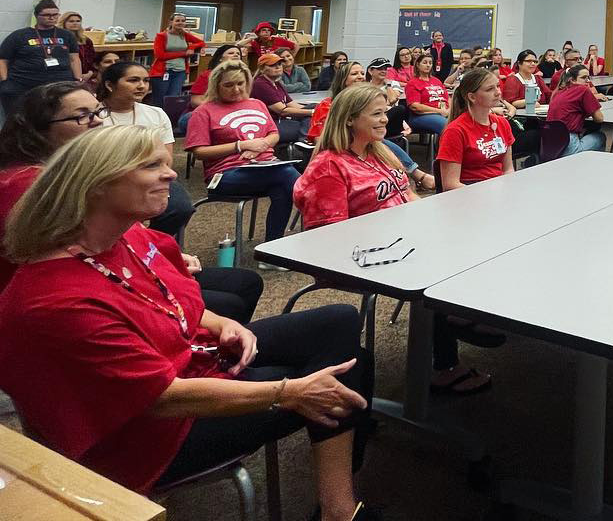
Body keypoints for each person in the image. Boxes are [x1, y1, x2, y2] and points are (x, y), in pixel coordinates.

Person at [0, 125, 378, 517]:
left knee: (337, 323)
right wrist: (289, 391)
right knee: (349, 370)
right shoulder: (56, 301)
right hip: (151, 434)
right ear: (95, 184)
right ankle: (340, 510)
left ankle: (336, 506)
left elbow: (180, 301)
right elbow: (162, 400)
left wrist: (222, 324)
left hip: (192, 361)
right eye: (151, 166)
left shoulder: (125, 237)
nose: (173, 174)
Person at [0, 83, 262, 323]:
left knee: (245, 283)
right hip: (86, 284)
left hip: (120, 265)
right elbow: (77, 255)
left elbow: (121, 236)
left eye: (98, 112)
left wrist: (162, 256)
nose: (97, 122)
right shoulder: (28, 183)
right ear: (40, 128)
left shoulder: (73, 170)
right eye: (82, 116)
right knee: (229, 304)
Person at [293, 85, 486, 393]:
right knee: (439, 265)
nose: (386, 120)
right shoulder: (329, 166)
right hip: (358, 256)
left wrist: (439, 217)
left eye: (385, 112)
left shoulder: (378, 151)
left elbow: (407, 195)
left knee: (468, 237)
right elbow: (328, 238)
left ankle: (458, 316)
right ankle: (446, 358)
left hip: (400, 242)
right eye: (377, 114)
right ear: (350, 120)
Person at [185, 61, 298, 245]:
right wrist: (241, 146)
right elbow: (199, 152)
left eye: (240, 84)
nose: (236, 90)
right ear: (216, 86)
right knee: (287, 176)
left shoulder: (257, 104)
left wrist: (258, 147)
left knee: (282, 188)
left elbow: (273, 134)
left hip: (265, 167)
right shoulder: (203, 111)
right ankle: (317, 217)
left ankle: (272, 249)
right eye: (228, 85)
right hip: (224, 175)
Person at [96, 61, 195, 234]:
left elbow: (167, 158)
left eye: (146, 80)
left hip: (153, 175)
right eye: (133, 80)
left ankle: (152, 246)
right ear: (110, 85)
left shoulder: (156, 114)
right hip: (110, 179)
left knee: (180, 208)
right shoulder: (94, 116)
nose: (142, 86)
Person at [312, 63, 433, 191]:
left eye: (362, 73)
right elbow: (320, 139)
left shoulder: (370, 101)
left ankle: (412, 176)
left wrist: (386, 83)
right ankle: (417, 174)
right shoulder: (327, 105)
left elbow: (391, 101)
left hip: (369, 148)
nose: (360, 77)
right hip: (347, 150)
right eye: (354, 74)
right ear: (342, 79)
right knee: (382, 142)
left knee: (396, 114)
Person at [0, 0, 83, 117]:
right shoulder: (20, 35)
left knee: (53, 120)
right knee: (19, 121)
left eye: (55, 15)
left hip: (58, 86)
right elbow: (3, 60)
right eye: (47, 15)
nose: (52, 18)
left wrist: (78, 79)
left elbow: (74, 59)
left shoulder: (66, 35)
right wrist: (5, 81)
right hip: (24, 85)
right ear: (36, 15)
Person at [437, 69, 514, 190]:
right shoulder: (455, 131)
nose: (498, 92)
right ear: (472, 97)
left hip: (498, 187)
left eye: (498, 86)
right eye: (489, 89)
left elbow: (508, 169)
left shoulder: (502, 123)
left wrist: (507, 190)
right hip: (469, 192)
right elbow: (450, 184)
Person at [251, 53, 314, 147]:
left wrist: (316, 109)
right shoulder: (261, 84)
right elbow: (283, 111)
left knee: (314, 109)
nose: (278, 67)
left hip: (282, 121)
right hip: (272, 124)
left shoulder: (276, 83)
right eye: (272, 65)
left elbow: (292, 104)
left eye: (279, 64)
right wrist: (312, 112)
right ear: (262, 68)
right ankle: (303, 144)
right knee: (311, 123)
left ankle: (305, 142)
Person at [547, 65, 605, 156]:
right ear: (572, 80)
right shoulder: (583, 90)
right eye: (583, 78)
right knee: (600, 136)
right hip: (570, 143)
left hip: (550, 143)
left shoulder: (559, 92)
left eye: (588, 78)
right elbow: (599, 118)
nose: (588, 81)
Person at [150, 13, 205, 100]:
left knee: (173, 98)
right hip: (164, 71)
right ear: (171, 22)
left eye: (183, 21)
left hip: (180, 72)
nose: (180, 23)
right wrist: (184, 53)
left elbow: (201, 42)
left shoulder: (184, 35)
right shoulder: (161, 36)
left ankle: (171, 114)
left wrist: (191, 47)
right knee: (160, 99)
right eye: (177, 21)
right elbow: (160, 55)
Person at [404, 53, 450, 139]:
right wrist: (439, 111)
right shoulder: (413, 83)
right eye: (425, 62)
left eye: (430, 63)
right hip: (421, 116)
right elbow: (415, 106)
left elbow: (447, 98)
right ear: (418, 65)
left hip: (443, 113)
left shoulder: (437, 81)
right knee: (447, 126)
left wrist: (450, 110)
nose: (428, 65)